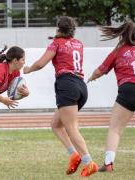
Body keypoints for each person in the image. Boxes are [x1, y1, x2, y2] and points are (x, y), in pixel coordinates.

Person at [23, 16, 98, 177]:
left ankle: (89, 162)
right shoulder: (78, 43)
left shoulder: (56, 43)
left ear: (58, 28)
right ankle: (74, 155)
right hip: (80, 85)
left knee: (71, 128)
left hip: (67, 84)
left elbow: (41, 63)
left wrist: (28, 69)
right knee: (56, 125)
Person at [87, 21, 135, 172]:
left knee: (115, 128)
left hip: (130, 89)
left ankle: (108, 164)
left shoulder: (118, 51)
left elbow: (101, 70)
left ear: (121, 35)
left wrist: (91, 77)